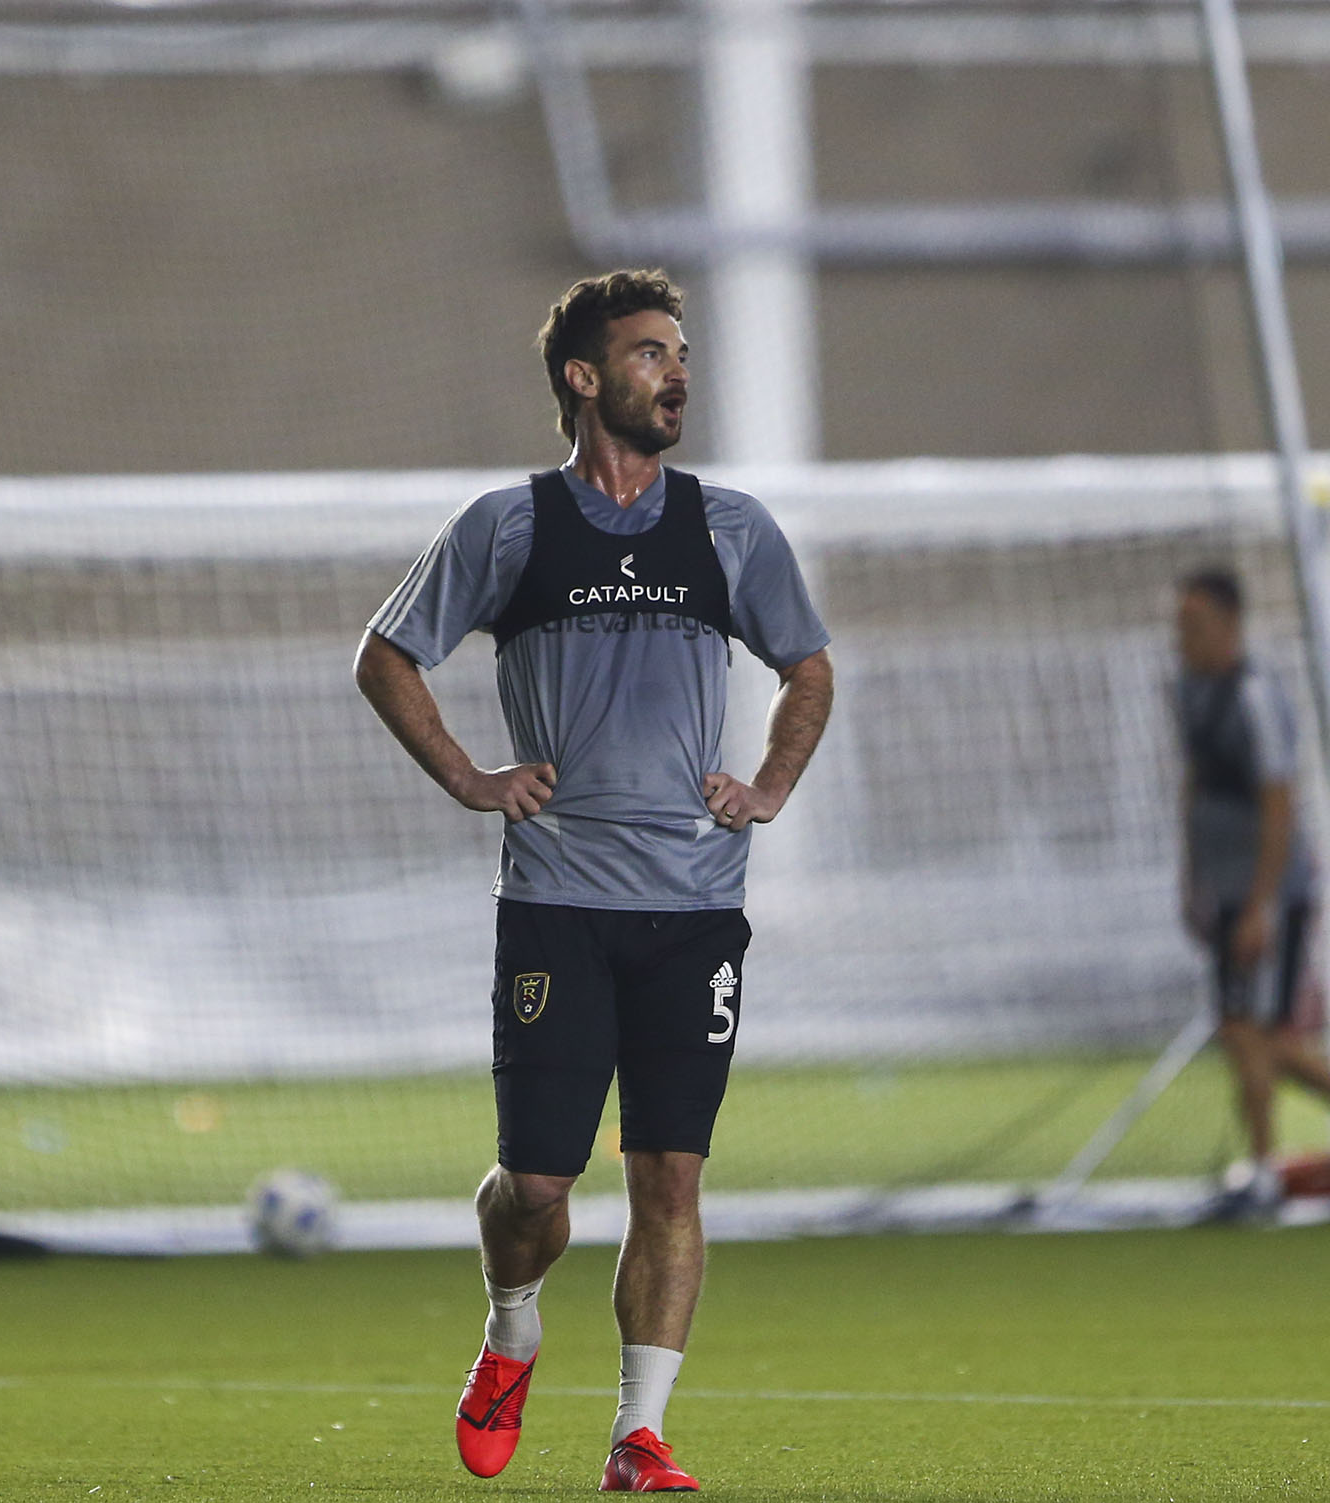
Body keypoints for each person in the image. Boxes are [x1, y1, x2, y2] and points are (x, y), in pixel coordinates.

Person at [355, 269, 833, 1492]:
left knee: (670, 1173)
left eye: (682, 352)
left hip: (694, 908)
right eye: (649, 353)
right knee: (538, 1181)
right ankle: (511, 1326)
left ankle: (637, 1436)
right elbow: (386, 656)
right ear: (583, 378)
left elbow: (809, 669)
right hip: (559, 902)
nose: (677, 372)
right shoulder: (508, 528)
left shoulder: (729, 529)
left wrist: (768, 786)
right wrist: (470, 775)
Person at [1171, 567, 1330, 1215]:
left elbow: (1278, 805)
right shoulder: (1190, 691)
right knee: (1250, 1032)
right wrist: (1190, 879)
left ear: (1230, 625)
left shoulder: (1255, 697)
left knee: (1249, 1031)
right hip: (1225, 887)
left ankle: (1265, 1171)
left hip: (1270, 891)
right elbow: (1192, 785)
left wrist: (1261, 904)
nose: (1183, 638)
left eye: (1195, 624)